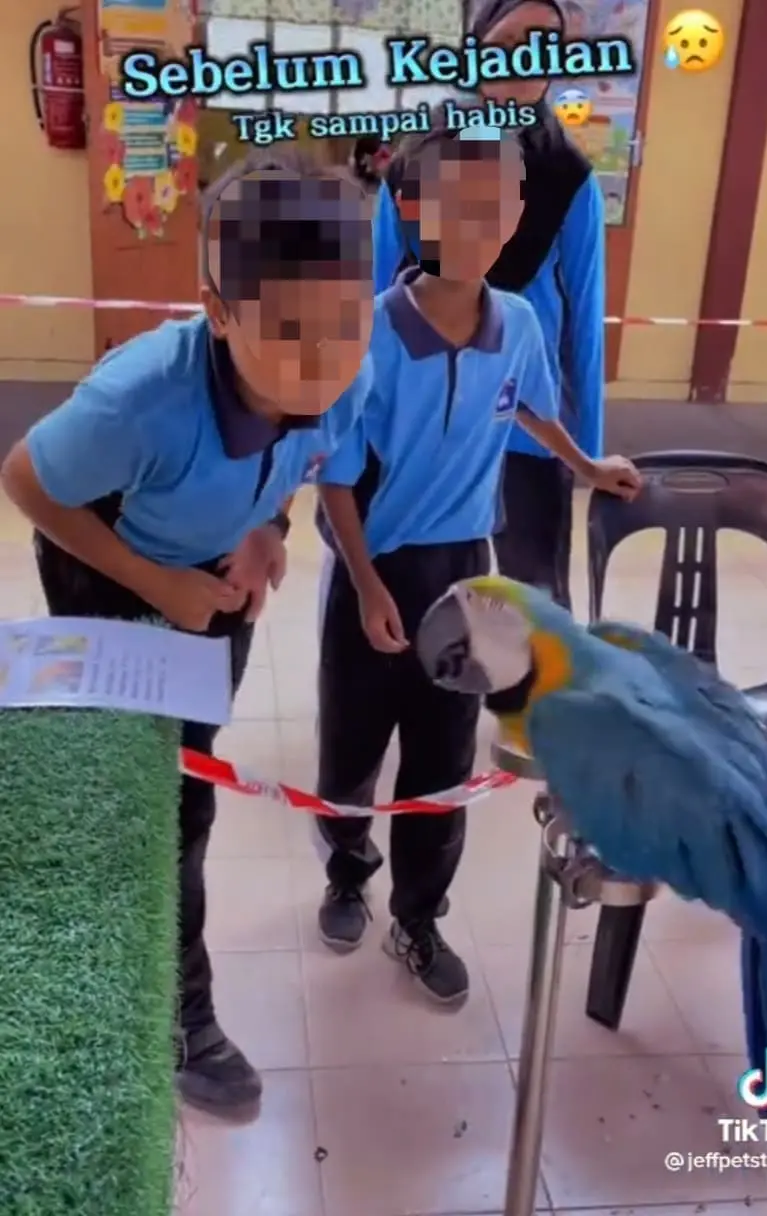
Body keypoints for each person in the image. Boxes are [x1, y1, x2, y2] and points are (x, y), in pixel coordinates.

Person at [0, 149, 374, 1115]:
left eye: (348, 320)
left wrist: (267, 530)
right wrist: (154, 584)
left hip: (209, 577)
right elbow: (27, 484)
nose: (325, 359)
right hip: (111, 572)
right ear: (217, 311)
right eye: (289, 332)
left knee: (188, 769)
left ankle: (154, 957)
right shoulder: (140, 401)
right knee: (160, 811)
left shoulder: (344, 370)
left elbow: (306, 447)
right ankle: (178, 1020)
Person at [312, 122, 640, 1005]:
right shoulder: (369, 337)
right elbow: (335, 485)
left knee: (444, 759)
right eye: (456, 207)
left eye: (495, 207)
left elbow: (533, 411)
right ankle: (347, 873)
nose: (478, 225)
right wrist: (371, 587)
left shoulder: (522, 323)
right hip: (373, 573)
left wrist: (586, 465)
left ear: (518, 216)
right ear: (413, 212)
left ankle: (418, 918)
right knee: (350, 752)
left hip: (467, 573)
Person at [374, 0, 605, 609]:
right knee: (418, 580)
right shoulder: (418, 158)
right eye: (509, 37)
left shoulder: (568, 174)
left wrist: (590, 449)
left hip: (530, 425)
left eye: (545, 39)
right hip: (424, 410)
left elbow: (584, 317)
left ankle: (526, 705)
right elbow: (372, 293)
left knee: (534, 602)